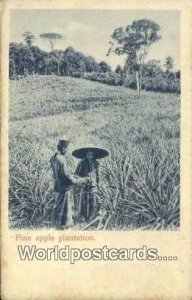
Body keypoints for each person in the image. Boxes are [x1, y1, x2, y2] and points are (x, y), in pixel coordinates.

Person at [50, 139, 88, 229]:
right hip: (64, 186)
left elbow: (58, 173)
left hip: (57, 185)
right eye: (66, 148)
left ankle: (56, 224)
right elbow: (66, 175)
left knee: (58, 205)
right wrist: (77, 181)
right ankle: (64, 225)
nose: (67, 151)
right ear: (63, 148)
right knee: (65, 206)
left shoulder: (53, 158)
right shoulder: (62, 159)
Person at [72, 147, 109, 223]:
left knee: (94, 200)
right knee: (84, 201)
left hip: (93, 185)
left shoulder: (96, 163)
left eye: (91, 155)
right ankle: (84, 217)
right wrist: (82, 179)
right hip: (84, 184)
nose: (90, 156)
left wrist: (98, 183)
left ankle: (92, 218)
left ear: (94, 155)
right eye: (88, 155)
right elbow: (76, 174)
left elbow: (99, 175)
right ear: (86, 155)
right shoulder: (81, 163)